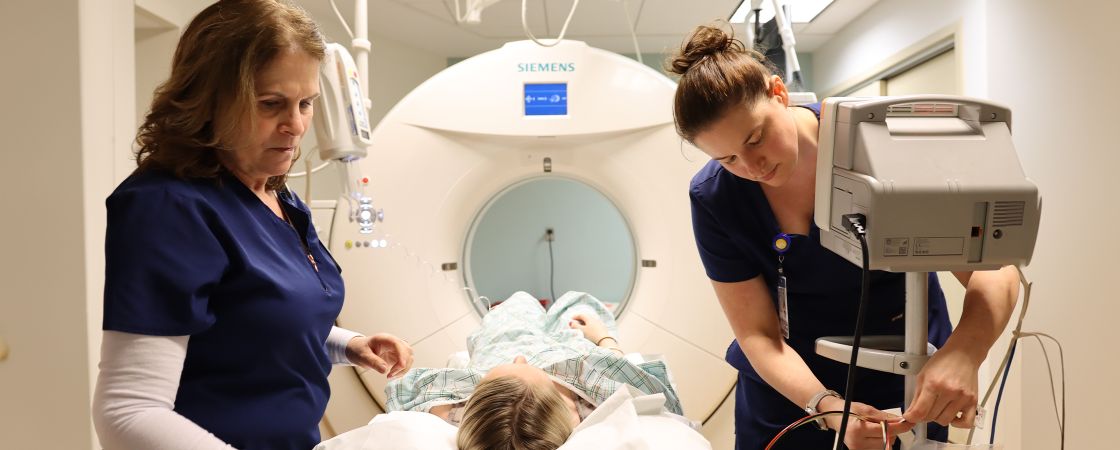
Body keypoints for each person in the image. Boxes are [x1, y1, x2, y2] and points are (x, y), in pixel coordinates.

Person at [667, 24, 1021, 450]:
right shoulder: (715, 198)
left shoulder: (882, 146)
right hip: (790, 397)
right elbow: (757, 334)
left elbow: (996, 272)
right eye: (727, 158)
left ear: (779, 92)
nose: (752, 166)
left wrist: (966, 351)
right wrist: (828, 407)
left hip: (905, 387)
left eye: (756, 138)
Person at [90, 1, 413, 449]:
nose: (296, 125)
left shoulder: (278, 197)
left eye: (306, 103)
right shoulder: (168, 207)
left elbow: (249, 326)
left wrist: (346, 345)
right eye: (271, 104)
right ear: (208, 98)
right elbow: (127, 411)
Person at [384, 291, 686, 450]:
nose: (521, 360)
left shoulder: (455, 415)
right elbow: (628, 378)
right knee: (580, 305)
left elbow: (409, 392)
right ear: (566, 410)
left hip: (502, 344)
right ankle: (571, 308)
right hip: (572, 350)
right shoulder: (590, 409)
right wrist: (604, 338)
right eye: (526, 366)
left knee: (519, 301)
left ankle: (523, 308)